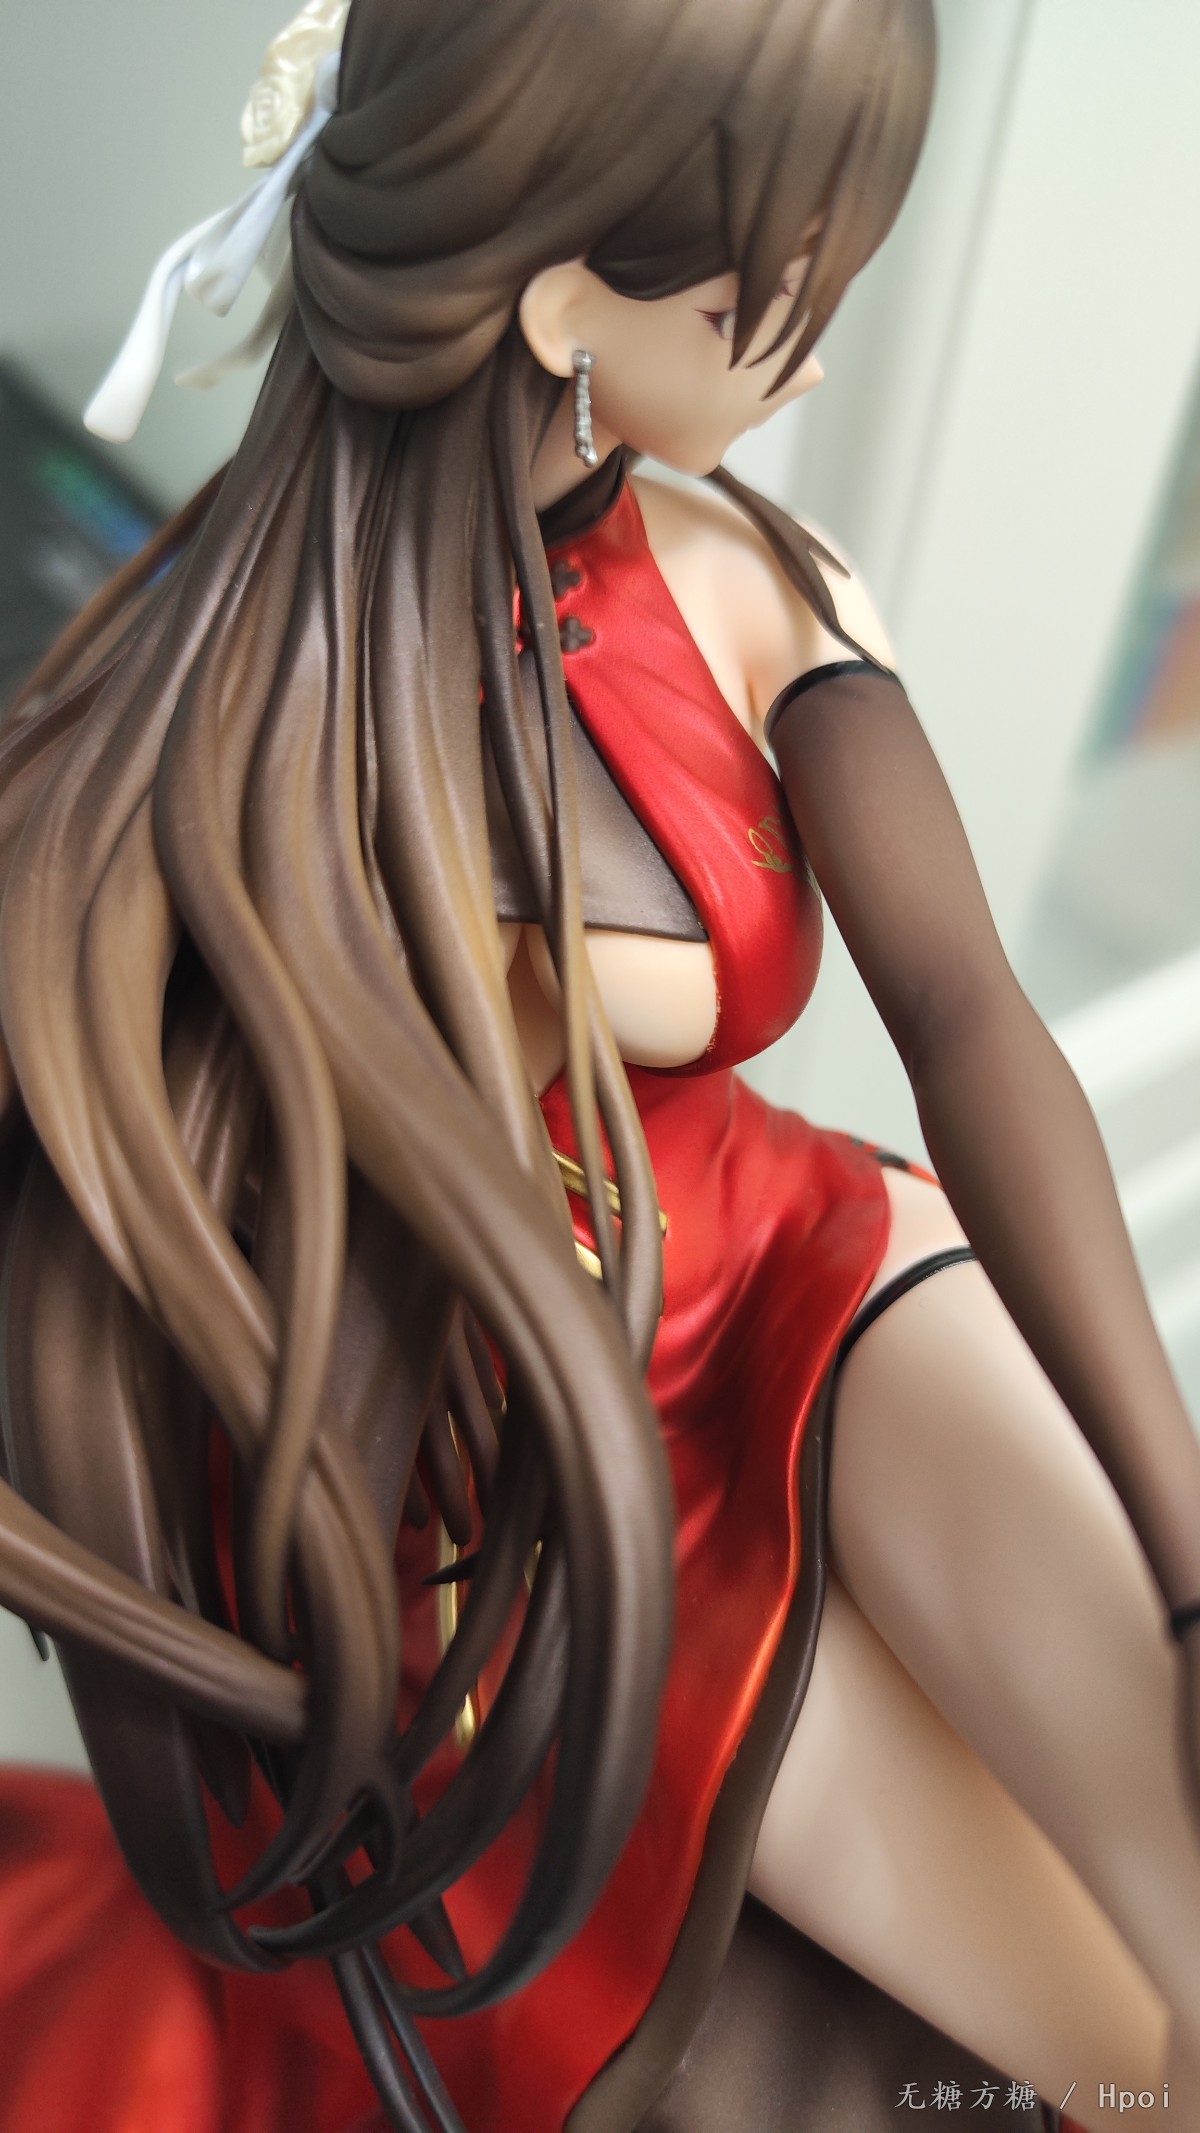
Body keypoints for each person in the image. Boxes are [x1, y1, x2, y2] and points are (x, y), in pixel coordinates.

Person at [0, 3, 1198, 2130]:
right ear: (566, 305)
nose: (816, 358)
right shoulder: (250, 730)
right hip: (545, 1472)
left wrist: (1187, 1544)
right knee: (1112, 2044)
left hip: (797, 1270)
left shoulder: (750, 587)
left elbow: (964, 1011)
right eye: (774, 301)